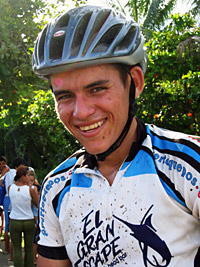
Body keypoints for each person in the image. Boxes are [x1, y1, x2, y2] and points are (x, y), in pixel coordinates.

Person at [32, 5, 200, 267]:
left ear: (135, 82)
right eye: (64, 96)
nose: (81, 112)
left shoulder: (189, 163)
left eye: (97, 88)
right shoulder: (55, 187)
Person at [8, 166, 38, 267]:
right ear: (22, 176)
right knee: (29, 248)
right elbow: (37, 204)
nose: (29, 177)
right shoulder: (31, 190)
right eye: (28, 175)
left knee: (17, 248)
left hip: (15, 220)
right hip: (28, 220)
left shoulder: (10, 188)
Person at [3, 157, 26, 256]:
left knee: (7, 224)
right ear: (17, 167)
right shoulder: (16, 174)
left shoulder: (7, 173)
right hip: (14, 198)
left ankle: (6, 249)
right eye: (22, 167)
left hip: (6, 198)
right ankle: (14, 251)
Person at [28, 167, 40, 265]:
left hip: (34, 216)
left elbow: (37, 205)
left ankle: (35, 258)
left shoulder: (35, 188)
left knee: (35, 240)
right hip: (28, 216)